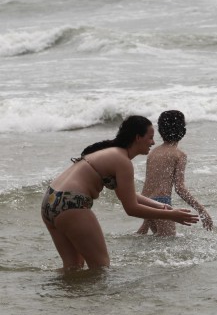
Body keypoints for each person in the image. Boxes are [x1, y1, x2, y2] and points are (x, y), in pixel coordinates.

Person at [41, 115, 200, 270]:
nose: (153, 142)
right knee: (101, 268)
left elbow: (130, 196)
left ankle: (62, 297)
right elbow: (131, 208)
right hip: (71, 203)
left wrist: (163, 207)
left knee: (73, 267)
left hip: (51, 200)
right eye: (150, 137)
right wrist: (173, 216)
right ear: (138, 137)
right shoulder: (123, 161)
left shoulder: (113, 153)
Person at [136, 110, 213, 236]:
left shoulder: (153, 152)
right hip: (162, 203)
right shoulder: (179, 155)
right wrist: (202, 210)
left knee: (156, 242)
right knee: (169, 243)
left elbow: (151, 186)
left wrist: (146, 221)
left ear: (160, 130)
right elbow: (180, 188)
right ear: (182, 130)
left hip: (145, 202)